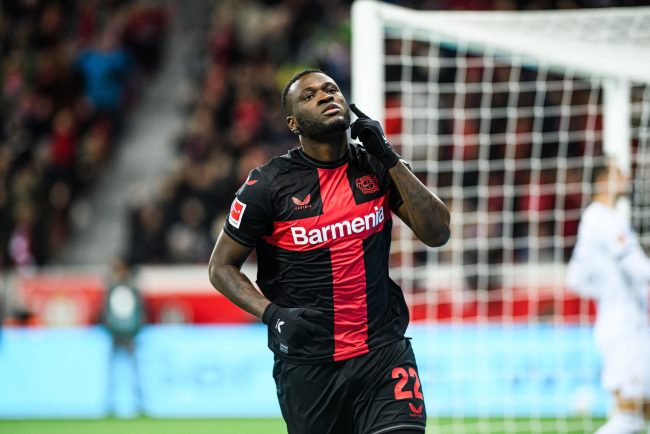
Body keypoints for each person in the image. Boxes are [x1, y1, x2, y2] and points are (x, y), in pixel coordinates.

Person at [208, 69, 450, 434]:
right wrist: (272, 314)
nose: (325, 96)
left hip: (383, 353)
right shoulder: (267, 185)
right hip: (309, 367)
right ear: (293, 123)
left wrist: (388, 156)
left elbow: (438, 233)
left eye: (331, 89)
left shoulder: (375, 165)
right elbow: (221, 267)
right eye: (309, 96)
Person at [567, 159, 650, 434]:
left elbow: (575, 279)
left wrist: (608, 291)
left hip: (616, 322)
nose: (626, 176)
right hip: (626, 328)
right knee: (630, 418)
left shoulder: (591, 219)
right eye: (618, 173)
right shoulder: (606, 220)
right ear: (603, 181)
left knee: (640, 413)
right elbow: (638, 268)